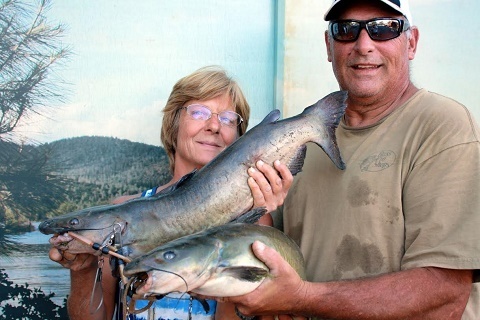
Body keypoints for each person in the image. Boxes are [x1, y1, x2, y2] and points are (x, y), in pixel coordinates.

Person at [216, 1, 480, 319]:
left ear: (411, 43)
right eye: (346, 30)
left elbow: (444, 291)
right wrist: (257, 211)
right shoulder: (303, 142)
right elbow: (279, 263)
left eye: (384, 28)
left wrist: (300, 298)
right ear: (329, 46)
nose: (364, 44)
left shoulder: (443, 125)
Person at [48, 66, 293, 320]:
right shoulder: (124, 212)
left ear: (240, 139)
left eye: (228, 118)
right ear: (173, 123)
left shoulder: (254, 220)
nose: (214, 126)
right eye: (199, 112)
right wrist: (82, 271)